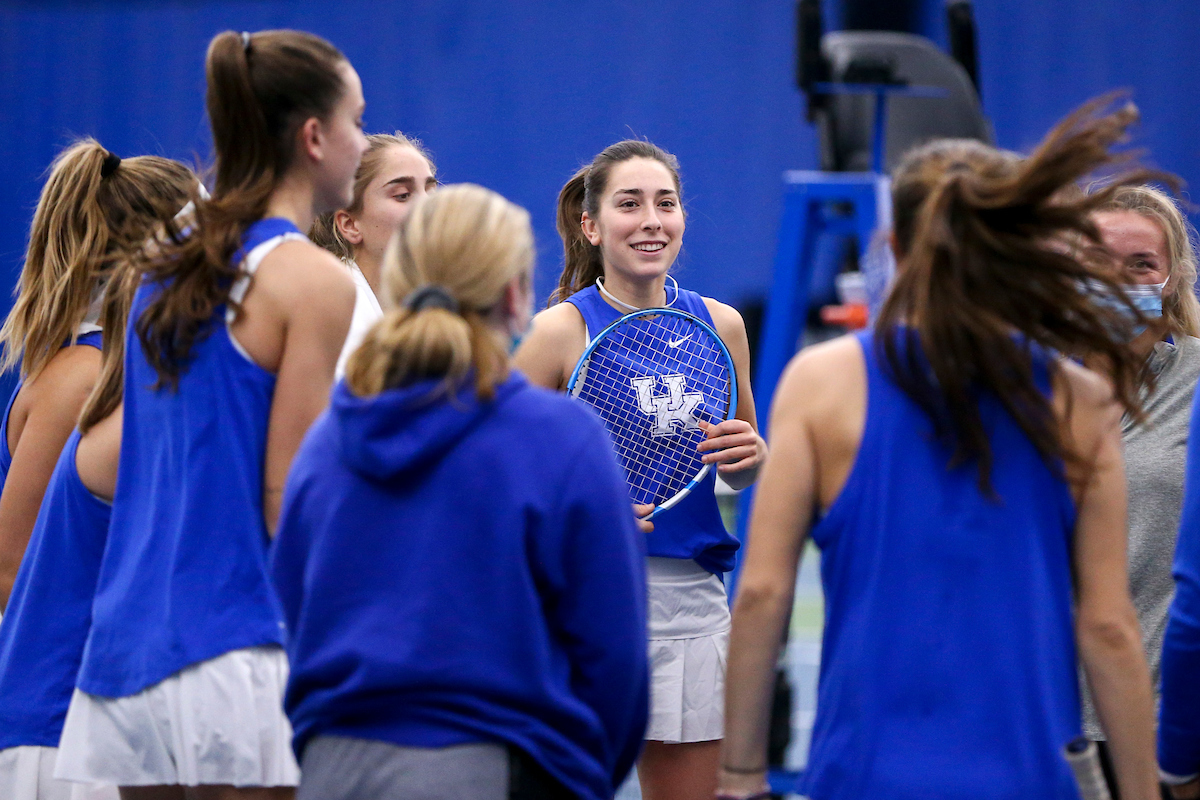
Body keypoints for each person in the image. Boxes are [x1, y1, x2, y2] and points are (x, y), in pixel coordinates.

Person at [719, 99, 1162, 800]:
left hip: (862, 779)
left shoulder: (821, 384)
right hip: (1029, 781)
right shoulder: (1078, 399)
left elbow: (764, 593)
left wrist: (741, 776)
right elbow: (1108, 628)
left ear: (892, 248)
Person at [54, 28, 364, 797]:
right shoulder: (313, 281)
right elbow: (286, 496)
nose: (364, 141)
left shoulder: (161, 255)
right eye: (358, 120)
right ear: (315, 137)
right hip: (235, 650)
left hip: (123, 661)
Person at [270, 183, 648, 800]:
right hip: (497, 764)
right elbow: (617, 658)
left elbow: (294, 606)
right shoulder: (559, 437)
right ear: (515, 297)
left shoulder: (329, 439)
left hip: (335, 767)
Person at [513, 139, 766, 800]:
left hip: (691, 603)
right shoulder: (556, 333)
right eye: (630, 204)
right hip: (581, 596)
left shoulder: (724, 324)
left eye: (666, 203)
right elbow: (498, 470)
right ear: (591, 226)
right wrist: (585, 519)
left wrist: (751, 459)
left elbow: (737, 469)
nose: (652, 220)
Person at [0, 141, 195, 611]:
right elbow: (9, 569)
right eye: (203, 252)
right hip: (47, 675)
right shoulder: (81, 379)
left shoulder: (131, 364)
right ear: (156, 262)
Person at [1078, 186, 1200, 787]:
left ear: (1173, 278)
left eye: (1141, 266)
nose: (1118, 283)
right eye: (1098, 263)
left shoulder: (1198, 382)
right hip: (1043, 719)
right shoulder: (1023, 388)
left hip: (1159, 719)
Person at [310, 132, 437, 374]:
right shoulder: (332, 314)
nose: (428, 207)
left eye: (430, 192)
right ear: (349, 224)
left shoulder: (437, 306)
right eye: (403, 195)